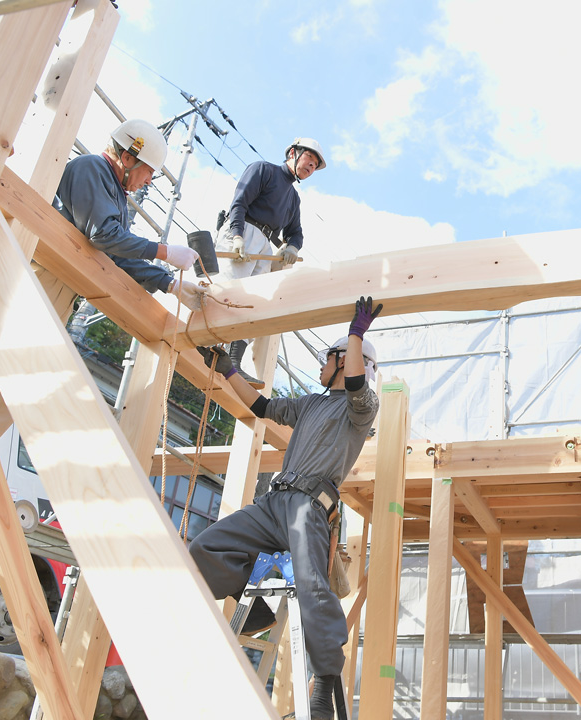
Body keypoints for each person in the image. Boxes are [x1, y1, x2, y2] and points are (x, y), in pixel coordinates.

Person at [190, 296, 382, 719]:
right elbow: (260, 407)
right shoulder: (310, 403)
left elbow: (354, 383)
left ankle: (325, 679)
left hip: (308, 508)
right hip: (273, 503)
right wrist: (228, 370)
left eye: (326, 358)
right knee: (204, 549)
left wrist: (355, 335)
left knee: (313, 586)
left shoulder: (362, 408)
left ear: (342, 360)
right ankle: (256, 611)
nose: (319, 365)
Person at [54, 118, 205, 310]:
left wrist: (171, 284)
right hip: (49, 267)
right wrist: (165, 252)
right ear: (127, 158)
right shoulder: (91, 167)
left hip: (64, 278)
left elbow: (119, 257)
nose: (149, 181)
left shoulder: (115, 194)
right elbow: (103, 235)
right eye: (149, 171)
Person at [213, 137, 328, 386]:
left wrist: (292, 247)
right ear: (293, 153)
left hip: (264, 246)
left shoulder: (293, 199)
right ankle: (207, 343)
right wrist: (236, 235)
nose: (311, 166)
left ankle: (233, 361)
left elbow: (296, 233)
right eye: (310, 158)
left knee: (254, 304)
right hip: (243, 231)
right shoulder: (263, 170)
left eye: (315, 165)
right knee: (228, 291)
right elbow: (239, 203)